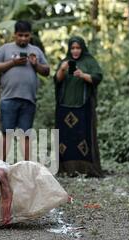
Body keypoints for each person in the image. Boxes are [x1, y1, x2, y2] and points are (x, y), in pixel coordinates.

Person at [0, 20, 50, 161]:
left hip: (29, 99)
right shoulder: (5, 49)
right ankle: (1, 166)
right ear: (14, 35)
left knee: (26, 135)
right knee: (7, 134)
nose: (23, 38)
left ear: (30, 36)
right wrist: (13, 63)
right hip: (9, 99)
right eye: (20, 35)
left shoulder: (36, 51)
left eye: (26, 35)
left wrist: (36, 65)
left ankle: (26, 167)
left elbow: (47, 71)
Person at [54, 36, 103, 177]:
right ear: (69, 49)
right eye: (73, 48)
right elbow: (57, 80)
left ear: (83, 48)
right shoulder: (65, 61)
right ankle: (67, 169)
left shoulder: (89, 61)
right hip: (64, 106)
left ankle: (85, 169)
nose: (75, 51)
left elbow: (97, 78)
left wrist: (83, 75)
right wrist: (62, 70)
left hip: (83, 107)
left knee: (83, 137)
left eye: (78, 48)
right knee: (65, 139)